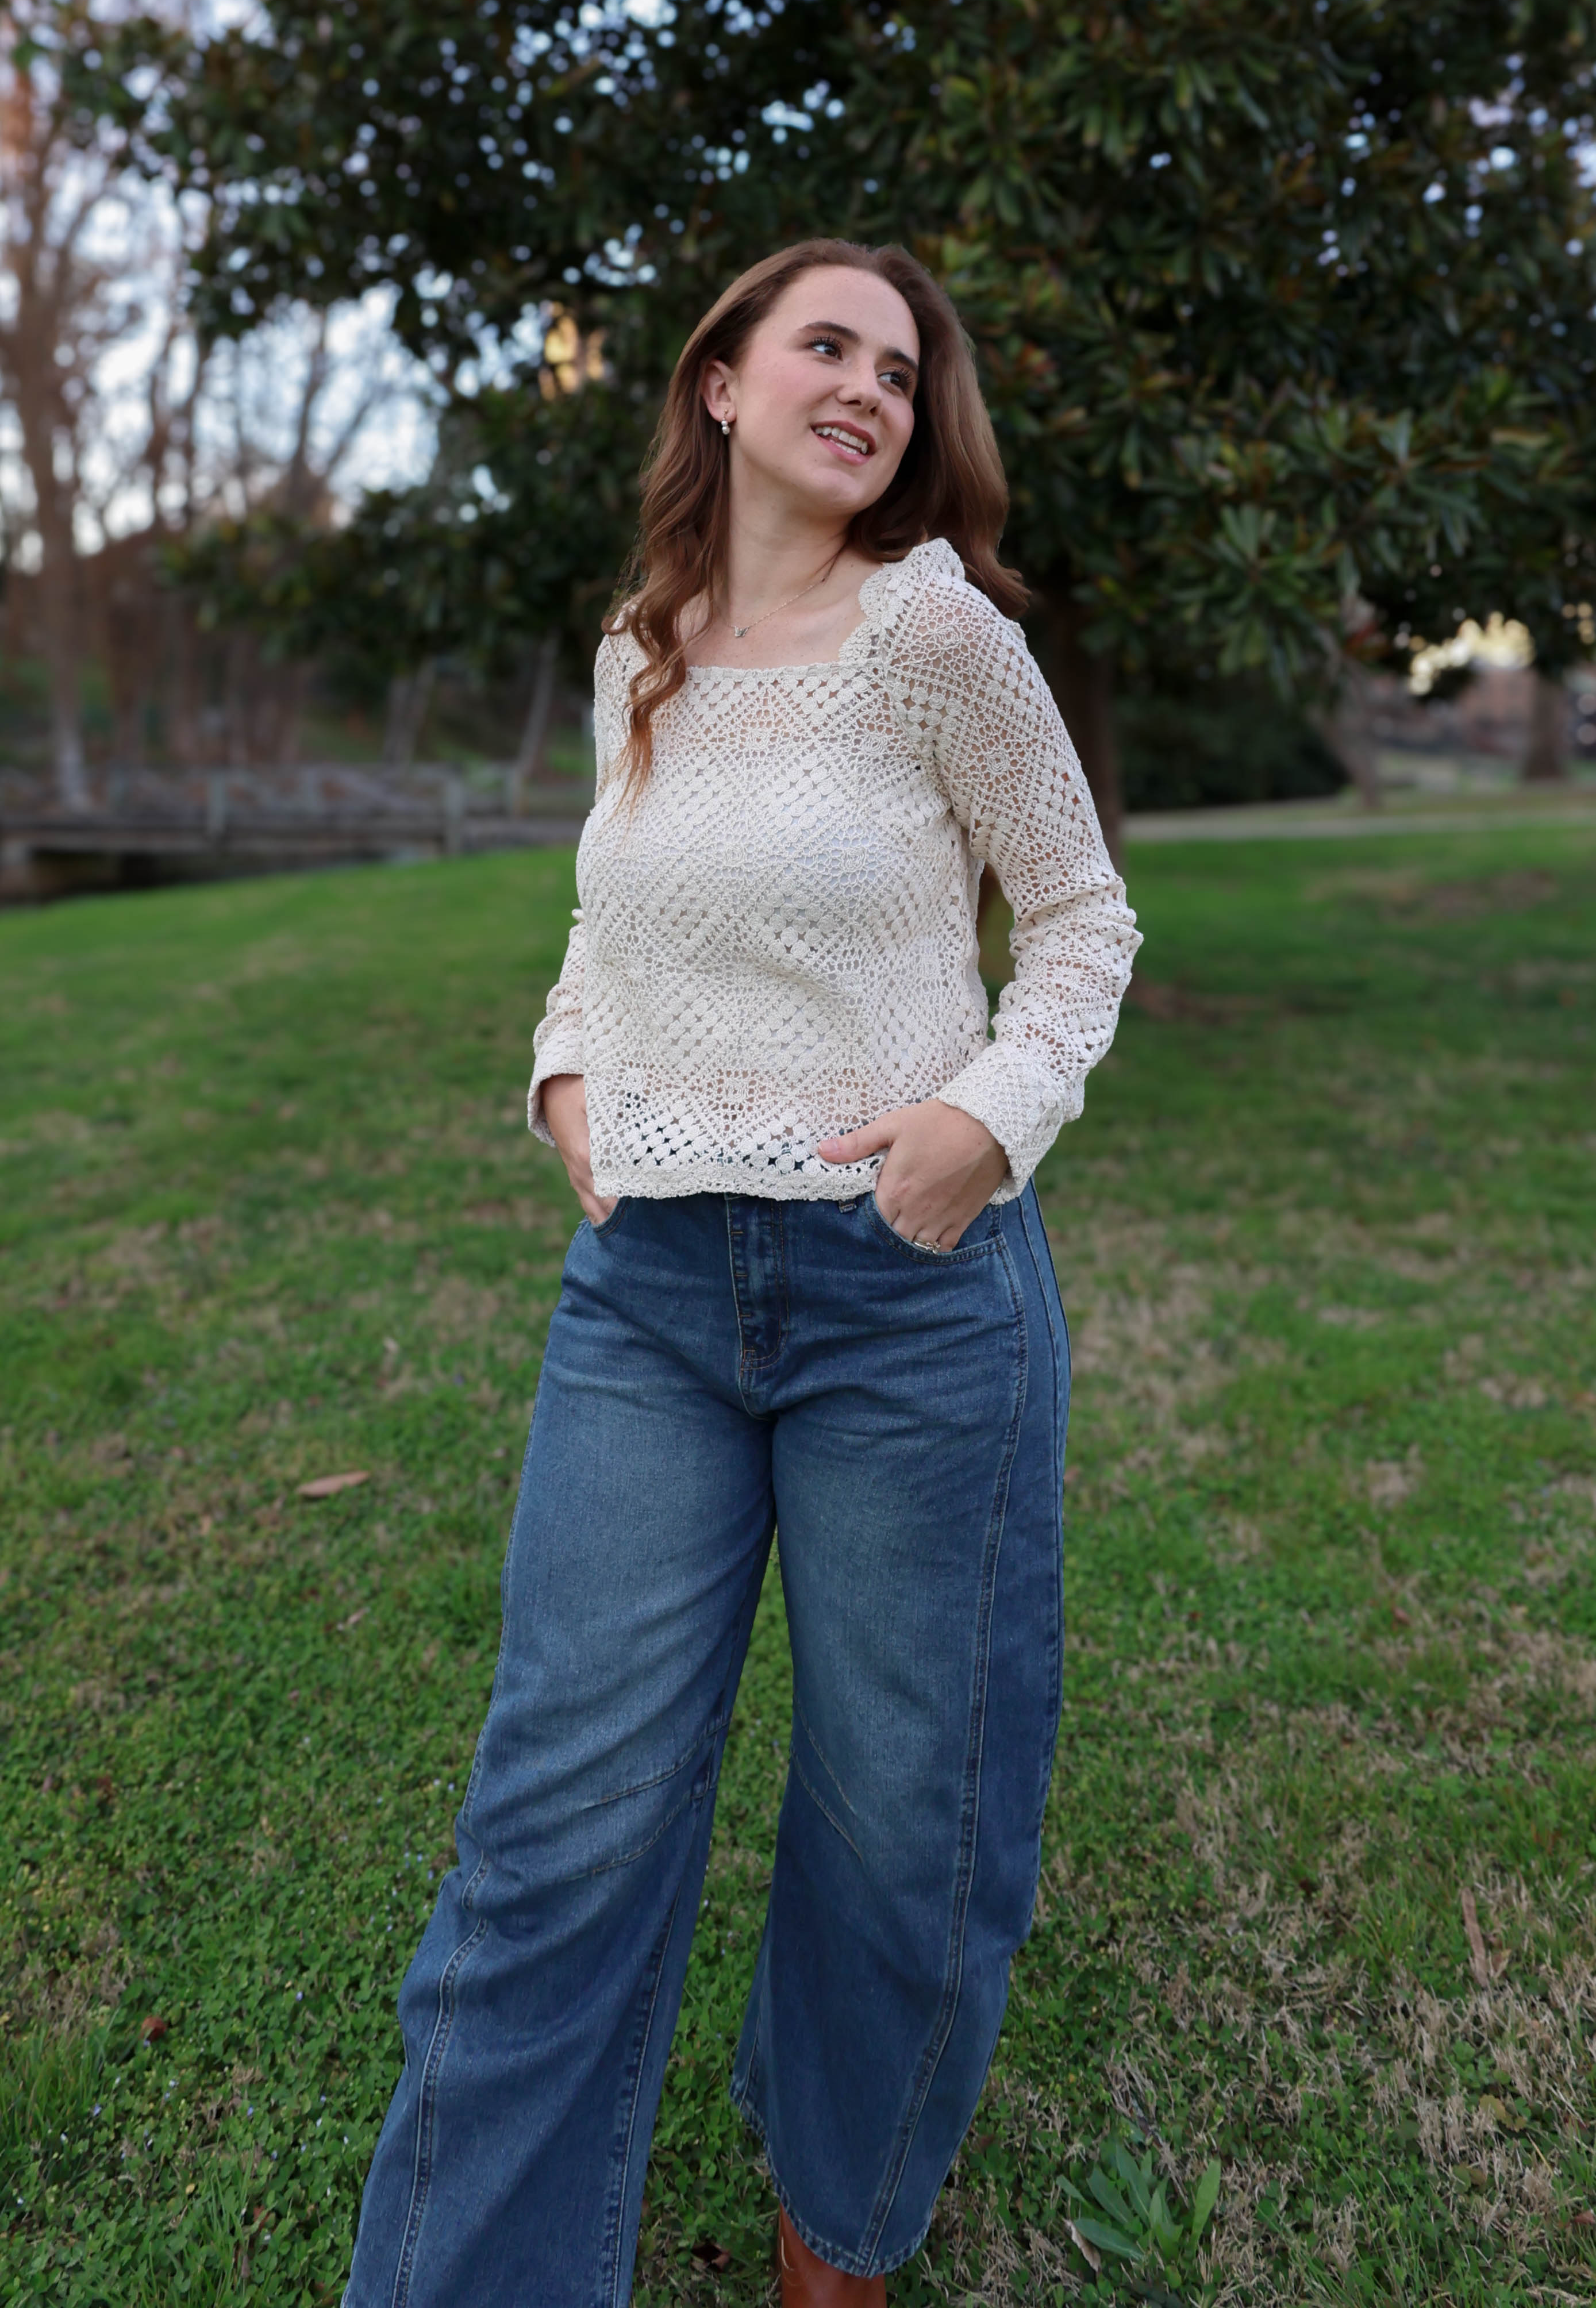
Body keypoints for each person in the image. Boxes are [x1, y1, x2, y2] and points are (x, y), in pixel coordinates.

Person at [343, 238, 1140, 2308]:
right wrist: (560, 1076)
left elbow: (1077, 917)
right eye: (825, 346)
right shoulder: (648, 647)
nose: (869, 386)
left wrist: (985, 1123)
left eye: (901, 366)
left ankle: (835, 2246)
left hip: (904, 1301)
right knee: (552, 1835)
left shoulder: (934, 631)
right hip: (651, 1310)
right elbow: (606, 933)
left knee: (904, 1835)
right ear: (719, 381)